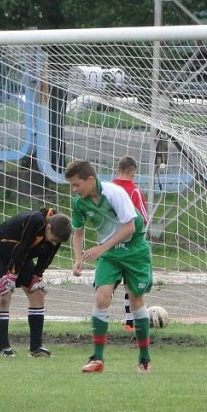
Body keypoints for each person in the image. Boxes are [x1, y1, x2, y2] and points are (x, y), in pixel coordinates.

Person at [64, 159, 154, 373]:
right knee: (101, 297)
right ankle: (97, 359)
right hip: (110, 254)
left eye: (76, 185)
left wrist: (101, 248)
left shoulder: (115, 194)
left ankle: (144, 359)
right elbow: (78, 231)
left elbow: (130, 227)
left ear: (90, 180)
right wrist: (77, 258)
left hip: (134, 250)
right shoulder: (79, 203)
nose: (74, 190)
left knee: (136, 301)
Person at [0, 207, 72, 358]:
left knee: (37, 293)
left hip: (21, 256)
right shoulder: (35, 220)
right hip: (0, 251)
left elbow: (47, 256)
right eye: (52, 239)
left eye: (56, 242)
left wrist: (36, 277)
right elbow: (23, 246)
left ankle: (36, 348)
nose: (53, 243)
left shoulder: (58, 232)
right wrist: (11, 276)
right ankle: (4, 349)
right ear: (48, 226)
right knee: (4, 293)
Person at [110, 156, 150, 331]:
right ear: (134, 173)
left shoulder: (106, 189)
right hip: (130, 244)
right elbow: (143, 218)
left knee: (109, 281)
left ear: (117, 170)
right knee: (130, 283)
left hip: (108, 242)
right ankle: (130, 322)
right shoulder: (135, 192)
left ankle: (101, 316)